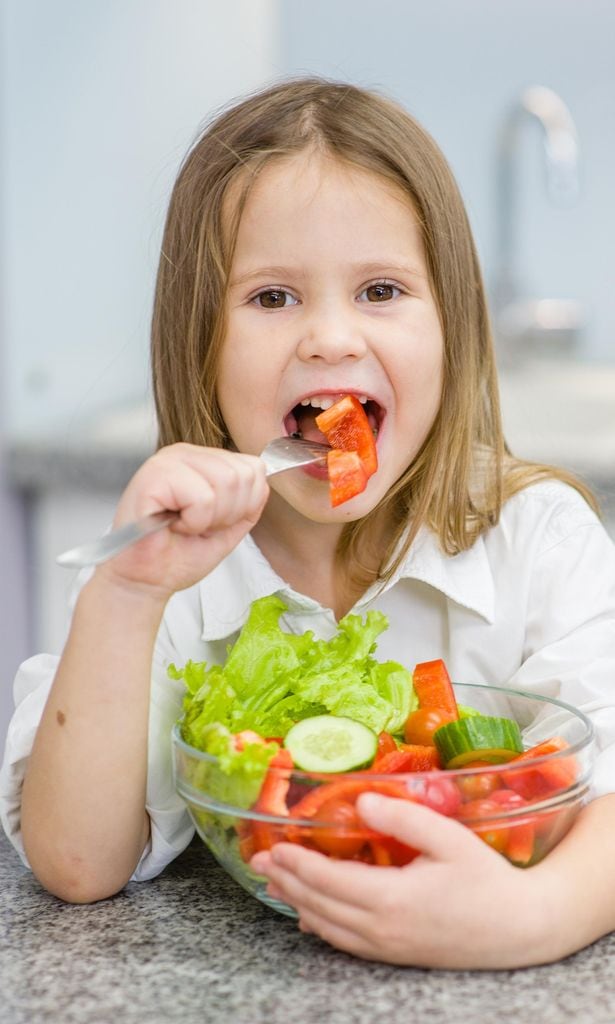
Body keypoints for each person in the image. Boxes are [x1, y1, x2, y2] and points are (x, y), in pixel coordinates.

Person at [2, 77, 615, 970]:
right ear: (197, 346)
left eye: (379, 289)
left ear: (452, 328)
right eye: (272, 298)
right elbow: (77, 863)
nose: (330, 338)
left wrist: (533, 919)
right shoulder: (172, 569)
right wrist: (125, 596)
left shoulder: (540, 538)